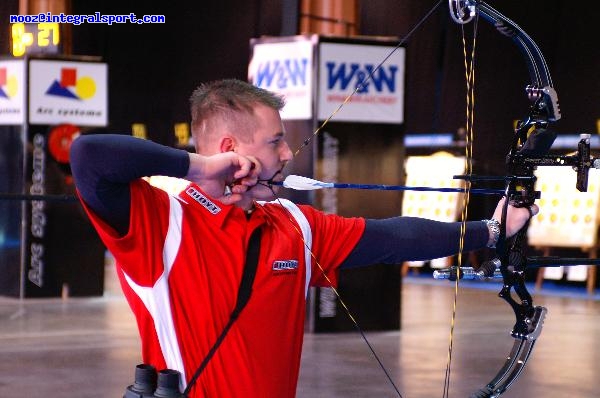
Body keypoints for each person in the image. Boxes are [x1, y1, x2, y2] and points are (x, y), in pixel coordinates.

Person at [70, 79, 537, 397]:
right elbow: (88, 155)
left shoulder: (293, 223)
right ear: (230, 150)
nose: (288, 153)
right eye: (274, 141)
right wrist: (199, 166)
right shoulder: (160, 222)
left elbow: (392, 237)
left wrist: (492, 229)